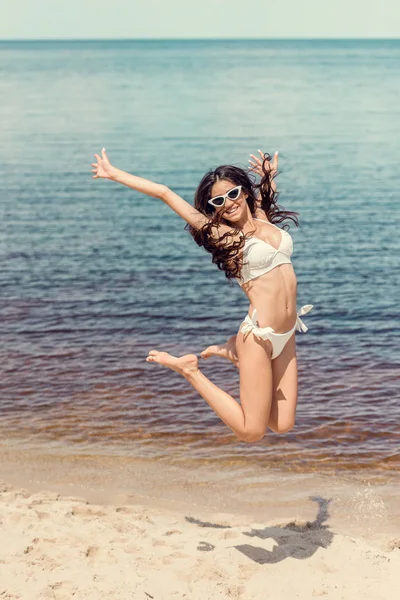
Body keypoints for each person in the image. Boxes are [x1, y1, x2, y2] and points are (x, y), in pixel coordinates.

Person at [91, 148, 312, 443]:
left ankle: (230, 352)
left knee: (282, 425)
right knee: (251, 431)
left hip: (286, 335)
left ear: (244, 192)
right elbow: (164, 193)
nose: (228, 203)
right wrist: (114, 173)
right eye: (218, 201)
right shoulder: (224, 235)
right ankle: (190, 369)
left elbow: (265, 194)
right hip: (258, 337)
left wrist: (268, 174)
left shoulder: (262, 216)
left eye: (232, 194)